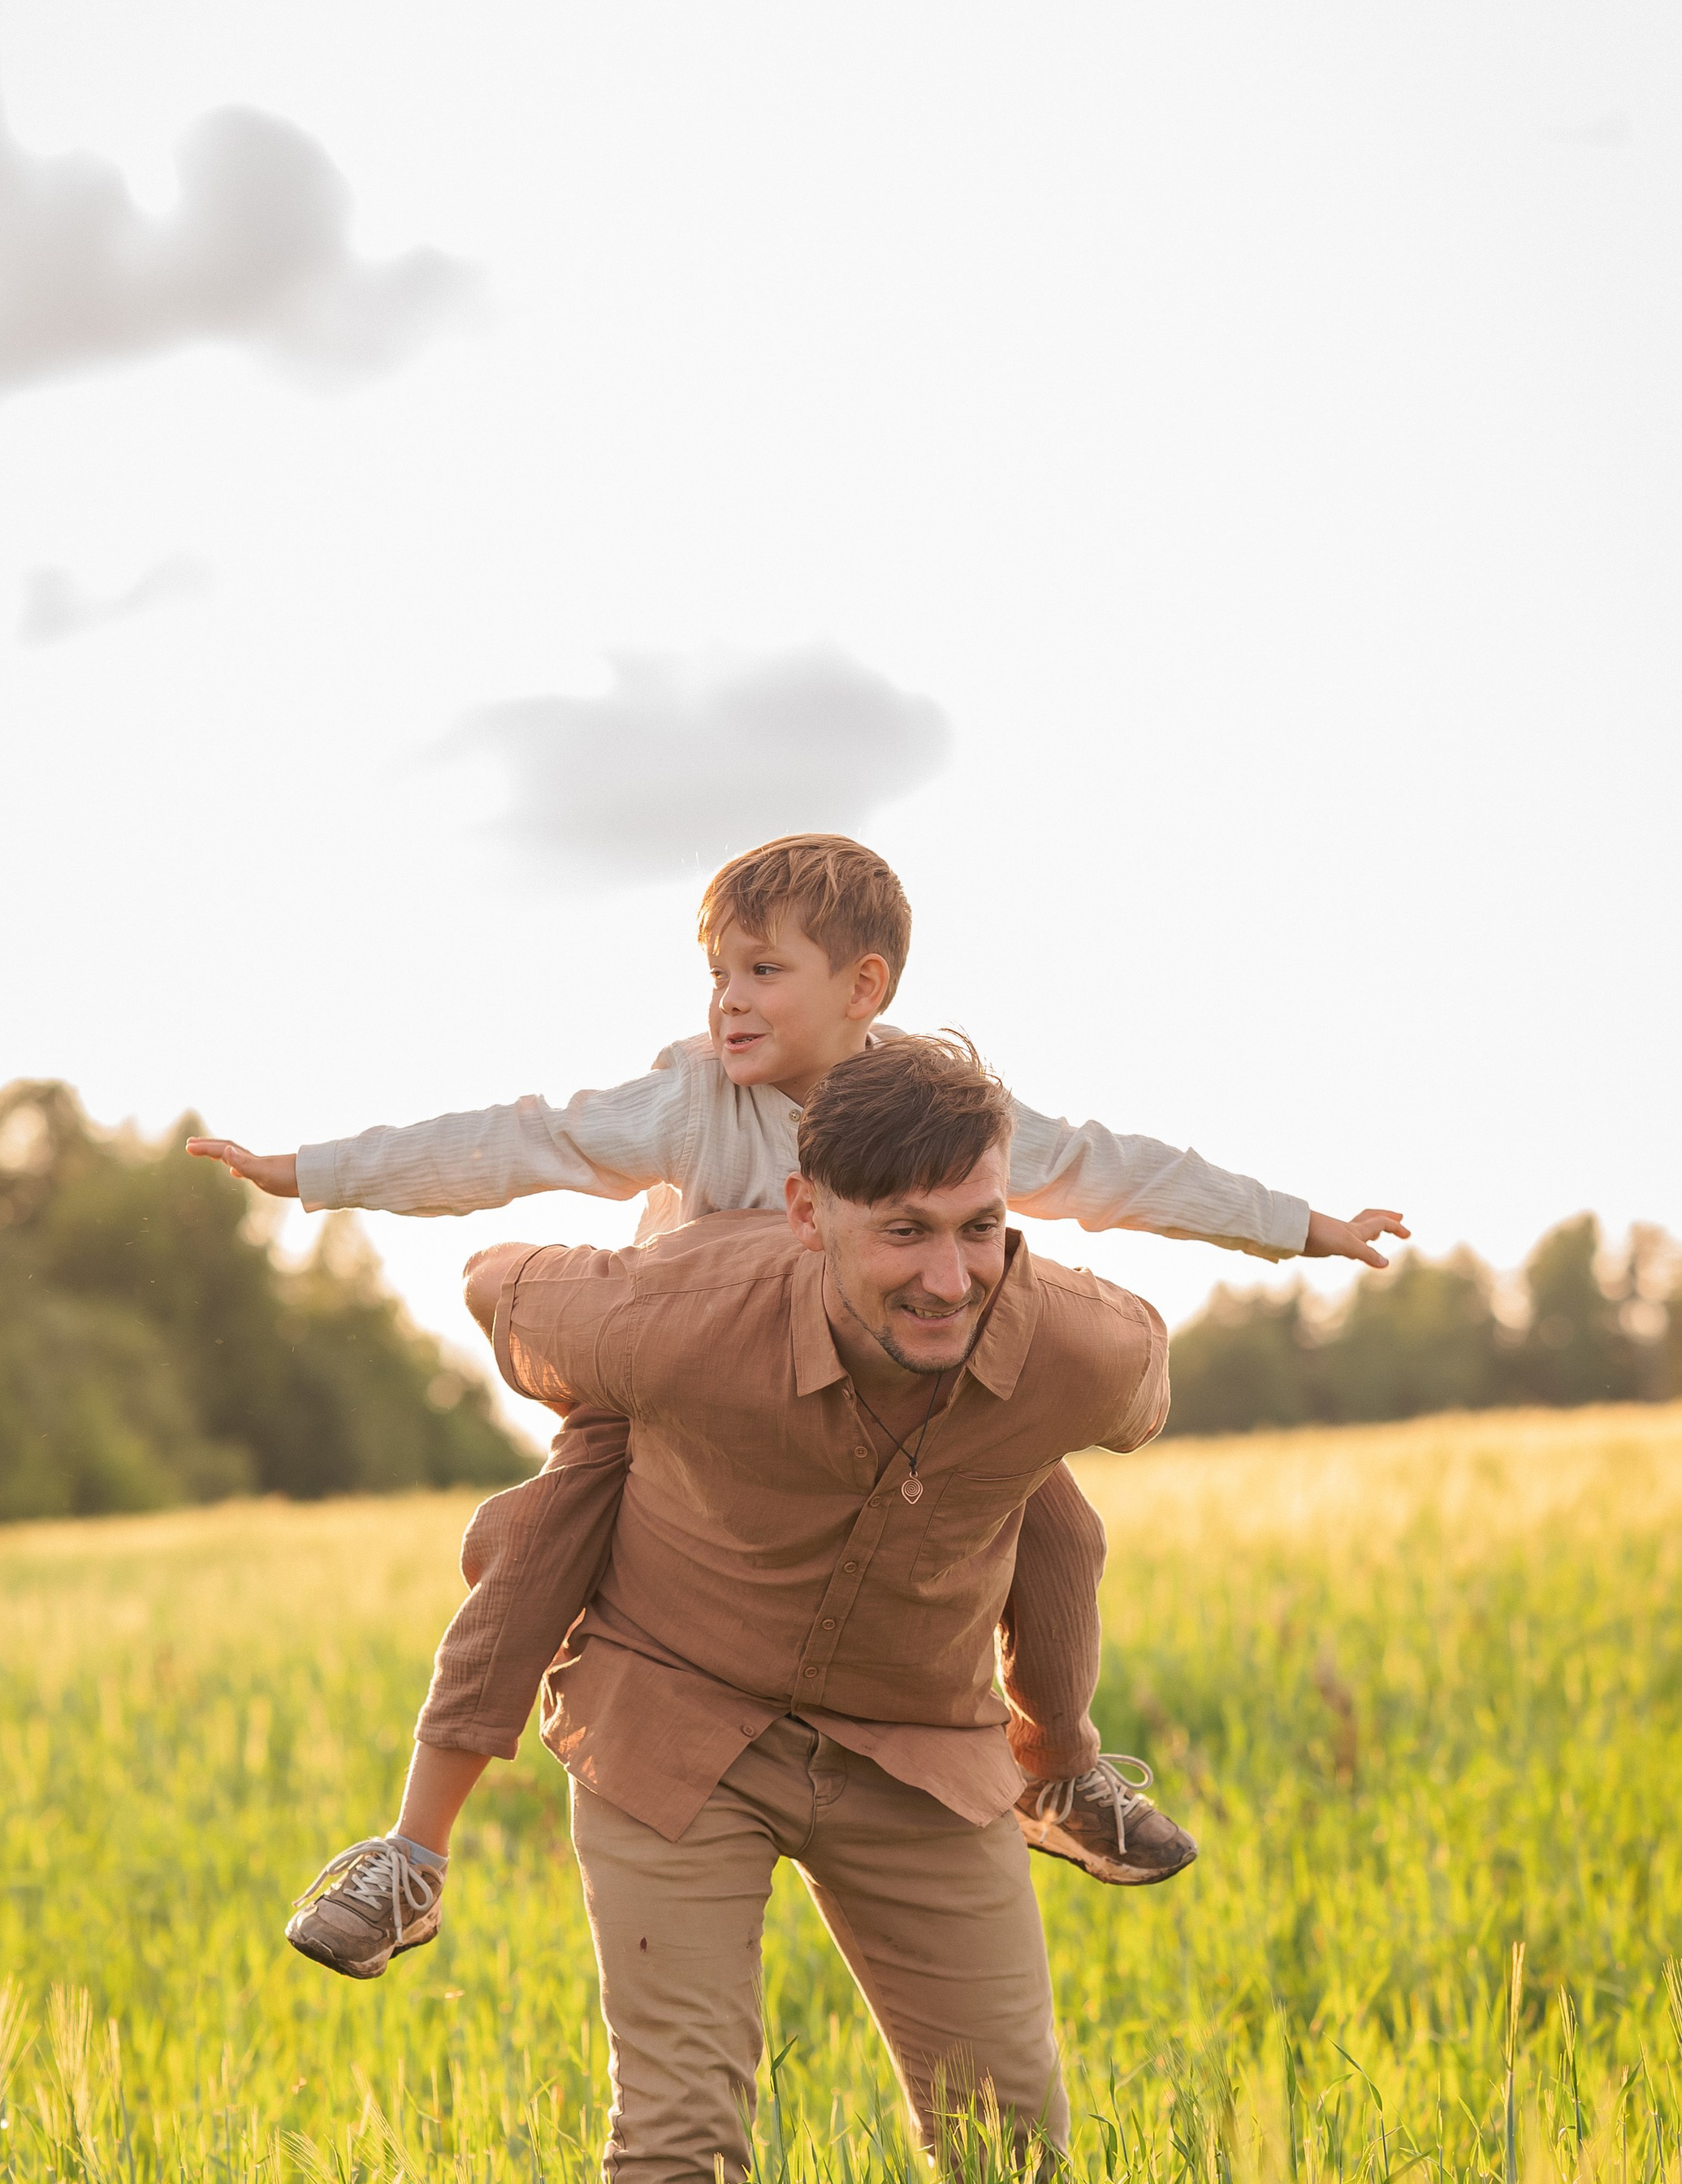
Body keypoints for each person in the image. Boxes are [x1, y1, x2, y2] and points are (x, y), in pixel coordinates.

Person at [187, 833, 1406, 1973]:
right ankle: (414, 1852)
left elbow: (1111, 1169)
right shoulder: (690, 1102)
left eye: (765, 971)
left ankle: (1062, 1771)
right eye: (718, 972)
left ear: (864, 985)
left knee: (1065, 1529)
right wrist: (313, 1175)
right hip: (680, 1384)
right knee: (539, 1538)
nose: (729, 999)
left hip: (898, 1388)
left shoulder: (942, 1115)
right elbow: (517, 1143)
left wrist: (1306, 1229)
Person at [464, 1032, 1166, 2184]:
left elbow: (1134, 1399)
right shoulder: (673, 1320)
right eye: (903, 1233)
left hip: (919, 1751)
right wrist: (594, 1357)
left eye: (980, 1228)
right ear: (805, 1213)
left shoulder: (1082, 1348)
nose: (950, 1279)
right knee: (684, 2137)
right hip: (676, 1723)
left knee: (1015, 2146)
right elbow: (497, 1284)